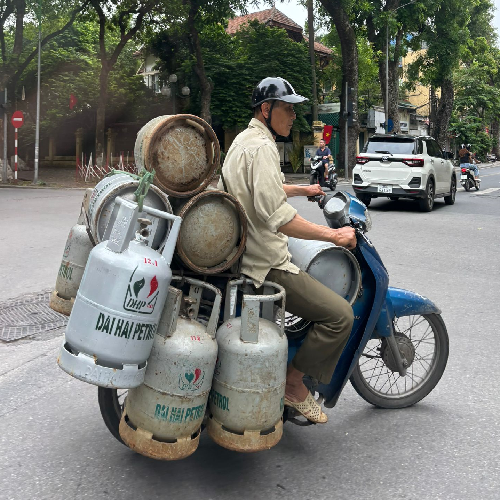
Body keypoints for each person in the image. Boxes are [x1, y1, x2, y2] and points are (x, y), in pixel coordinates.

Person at [217, 77, 355, 424]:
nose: (294, 117)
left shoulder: (242, 142)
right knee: (340, 316)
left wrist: (302, 188)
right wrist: (333, 236)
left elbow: (264, 188)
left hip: (243, 254)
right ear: (267, 109)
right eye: (288, 109)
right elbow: (276, 216)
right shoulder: (263, 148)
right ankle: (294, 384)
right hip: (265, 264)